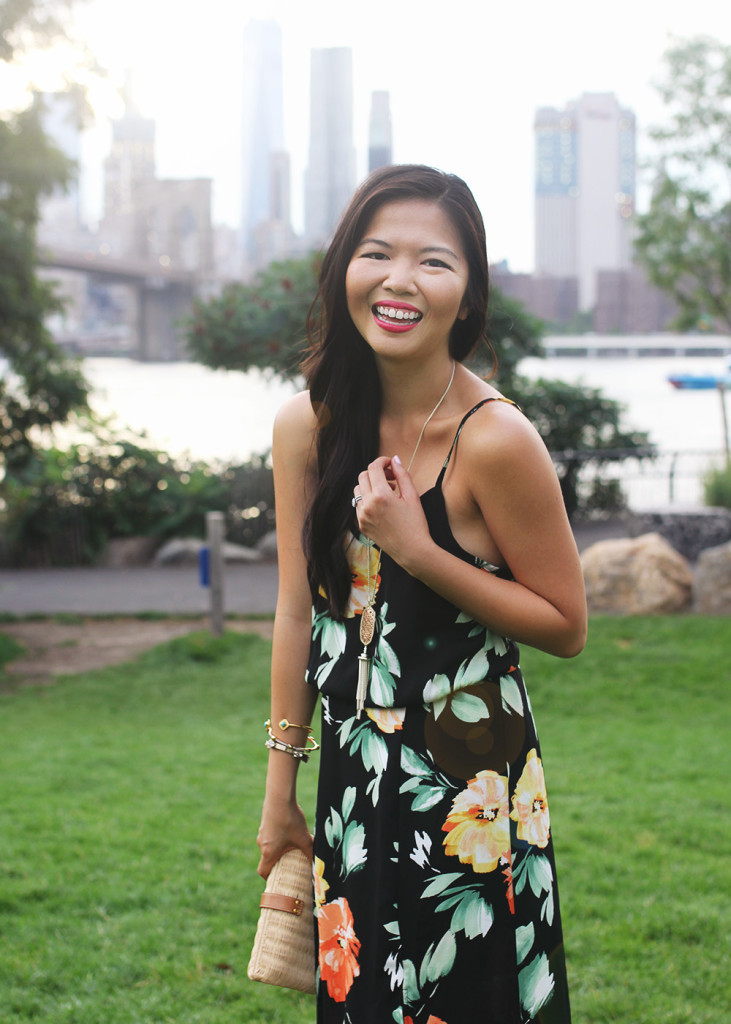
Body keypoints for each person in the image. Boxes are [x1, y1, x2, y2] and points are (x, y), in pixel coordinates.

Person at [256, 164, 587, 1024]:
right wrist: (278, 793)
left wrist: (419, 550)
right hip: (352, 780)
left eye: (433, 262)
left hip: (470, 787)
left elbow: (564, 624)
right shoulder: (307, 427)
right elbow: (298, 612)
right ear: (344, 273)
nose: (400, 280)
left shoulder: (495, 439)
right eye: (377, 254)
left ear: (467, 296)